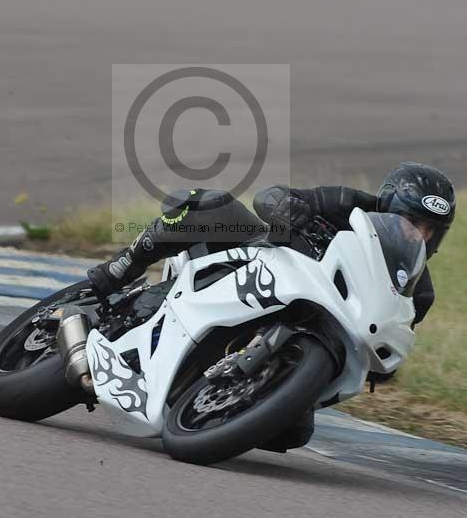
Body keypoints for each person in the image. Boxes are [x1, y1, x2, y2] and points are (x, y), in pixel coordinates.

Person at [87, 162, 455, 451]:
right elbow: (271, 196)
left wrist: (384, 364)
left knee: (291, 433)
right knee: (209, 204)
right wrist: (287, 209)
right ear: (387, 205)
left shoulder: (418, 291)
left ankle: (231, 397)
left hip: (314, 324)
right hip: (258, 262)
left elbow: (389, 337)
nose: (419, 235)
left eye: (431, 230)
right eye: (413, 221)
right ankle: (119, 270)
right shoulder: (347, 203)